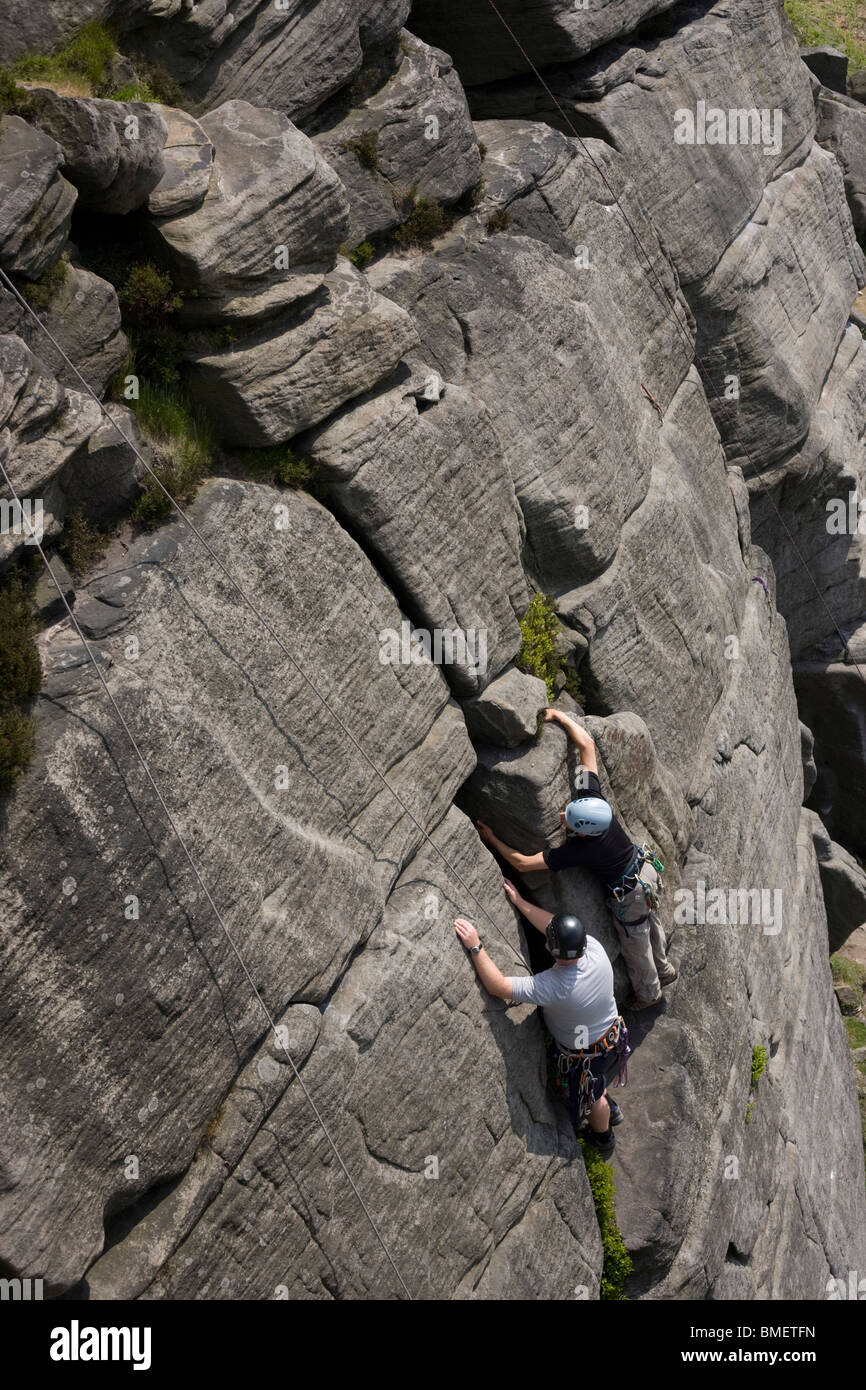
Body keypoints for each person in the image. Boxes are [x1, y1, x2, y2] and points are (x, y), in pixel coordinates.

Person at [475, 707, 677, 1010]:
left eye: (568, 820)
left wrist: (492, 840)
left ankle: (649, 994)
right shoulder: (594, 802)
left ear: (582, 833)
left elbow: (522, 863)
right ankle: (665, 969)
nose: (562, 816)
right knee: (651, 923)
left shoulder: (581, 849)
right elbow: (587, 745)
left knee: (636, 942)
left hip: (629, 893)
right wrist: (561, 718)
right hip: (645, 874)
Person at [453, 897, 628, 1158]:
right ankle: (606, 1105)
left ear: (552, 950)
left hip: (586, 1057)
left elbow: (497, 986)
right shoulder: (593, 948)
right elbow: (556, 927)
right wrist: (519, 901)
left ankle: (603, 1137)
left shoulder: (553, 986)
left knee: (592, 1100)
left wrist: (475, 946)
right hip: (612, 1037)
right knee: (596, 1084)